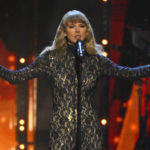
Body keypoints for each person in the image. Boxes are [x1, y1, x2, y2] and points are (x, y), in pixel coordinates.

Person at [0, 10, 150, 150]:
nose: (77, 30)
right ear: (64, 31)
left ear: (87, 30)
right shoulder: (50, 59)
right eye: (72, 27)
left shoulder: (96, 60)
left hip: (89, 129)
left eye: (81, 26)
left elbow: (128, 73)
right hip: (62, 130)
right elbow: (15, 77)